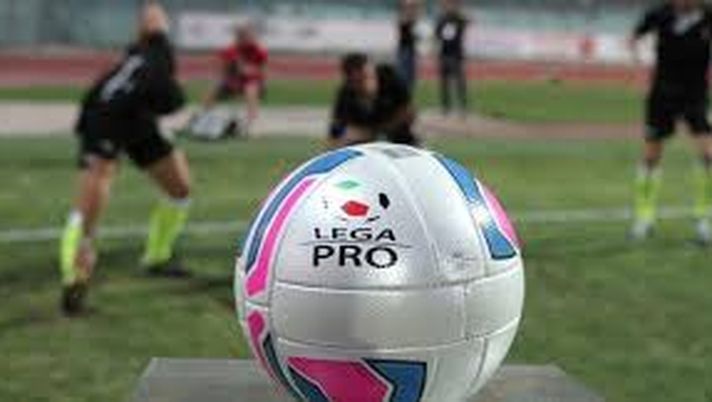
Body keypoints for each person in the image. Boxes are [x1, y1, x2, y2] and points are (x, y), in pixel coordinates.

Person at [59, 2, 191, 316]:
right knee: (89, 209)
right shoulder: (154, 53)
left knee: (180, 189)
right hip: (106, 119)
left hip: (137, 119)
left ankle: (157, 256)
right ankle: (74, 277)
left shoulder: (142, 53)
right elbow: (172, 99)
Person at [629, 0, 712, 244]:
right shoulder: (659, 13)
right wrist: (639, 72)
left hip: (696, 96)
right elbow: (634, 38)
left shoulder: (708, 15)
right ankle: (644, 219)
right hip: (662, 95)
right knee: (651, 157)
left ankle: (704, 220)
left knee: (709, 155)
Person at [328, 53, 419, 149]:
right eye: (360, 80)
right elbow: (337, 129)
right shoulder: (346, 96)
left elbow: (408, 110)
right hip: (366, 140)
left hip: (397, 133)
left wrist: (384, 129)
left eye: (369, 77)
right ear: (350, 82)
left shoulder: (390, 78)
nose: (367, 84)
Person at [201, 23, 268, 135]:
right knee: (214, 89)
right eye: (242, 36)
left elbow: (262, 71)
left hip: (251, 82)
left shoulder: (258, 50)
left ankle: (250, 123)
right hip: (232, 81)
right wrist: (229, 79)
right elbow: (224, 69)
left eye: (248, 36)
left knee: (251, 89)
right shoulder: (231, 50)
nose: (246, 39)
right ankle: (204, 117)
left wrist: (250, 71)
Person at [435, 0, 470, 117]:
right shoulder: (442, 19)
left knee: (459, 82)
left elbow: (467, 23)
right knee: (444, 83)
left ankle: (462, 107)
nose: (450, 6)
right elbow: (437, 35)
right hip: (444, 54)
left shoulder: (459, 19)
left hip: (456, 54)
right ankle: (446, 107)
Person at [396, 0, 421, 91]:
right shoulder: (402, 18)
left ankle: (408, 91)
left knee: (411, 74)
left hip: (410, 49)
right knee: (404, 73)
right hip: (404, 49)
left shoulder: (410, 19)